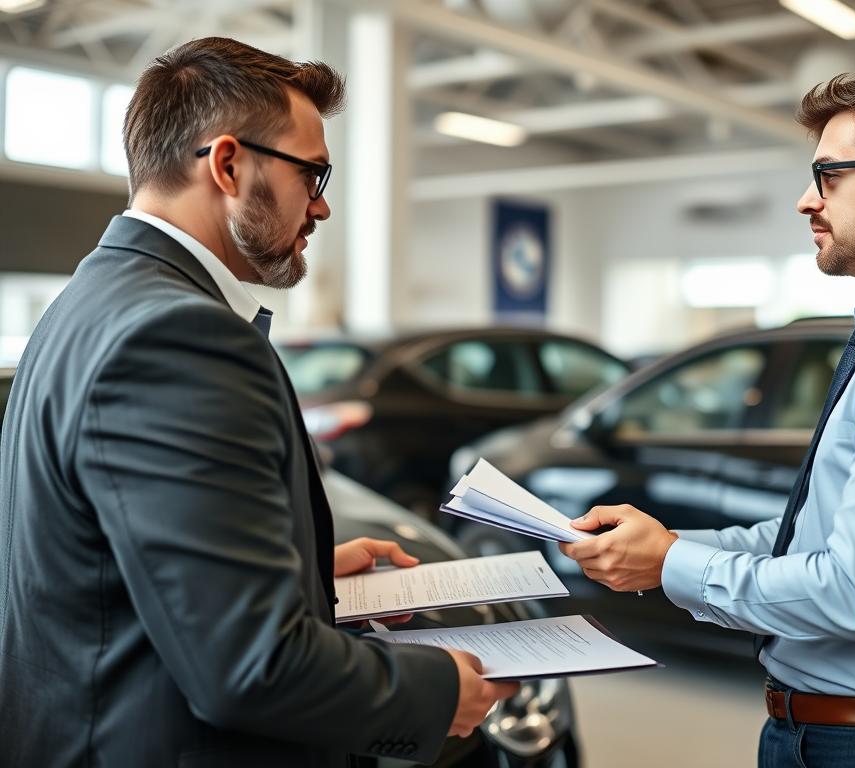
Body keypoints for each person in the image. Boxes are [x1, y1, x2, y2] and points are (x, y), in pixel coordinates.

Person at [0, 37, 515, 768]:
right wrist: (437, 691)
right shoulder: (178, 336)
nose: (323, 204)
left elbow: (104, 572)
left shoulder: (91, 301)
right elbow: (250, 668)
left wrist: (301, 570)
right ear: (229, 164)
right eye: (313, 172)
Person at [561, 63, 855, 766]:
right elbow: (817, 543)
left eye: (829, 176)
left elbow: (849, 595)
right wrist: (664, 547)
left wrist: (670, 564)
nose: (807, 201)